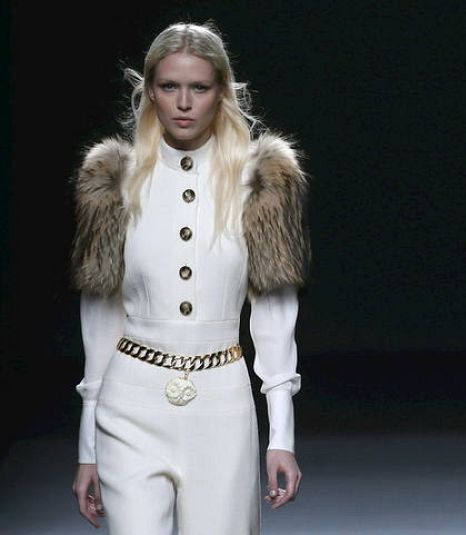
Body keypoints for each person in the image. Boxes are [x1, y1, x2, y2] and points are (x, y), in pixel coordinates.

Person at [68, 21, 312, 534]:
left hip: (222, 410)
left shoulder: (260, 182)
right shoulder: (114, 182)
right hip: (128, 407)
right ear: (149, 91)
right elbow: (100, 320)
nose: (183, 103)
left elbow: (274, 316)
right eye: (169, 86)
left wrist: (281, 437)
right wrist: (88, 447)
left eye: (198, 87)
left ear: (221, 91)